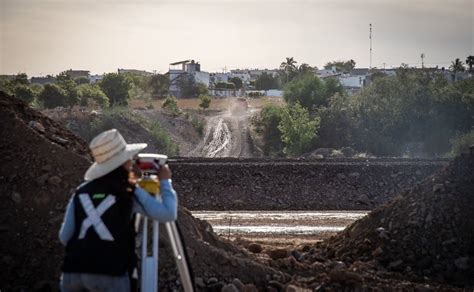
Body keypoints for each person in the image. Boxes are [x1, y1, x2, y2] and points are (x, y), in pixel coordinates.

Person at [58, 129, 178, 292]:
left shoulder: (81, 191)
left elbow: (65, 237)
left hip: (72, 273)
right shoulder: (128, 191)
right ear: (123, 162)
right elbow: (167, 213)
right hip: (111, 272)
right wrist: (165, 182)